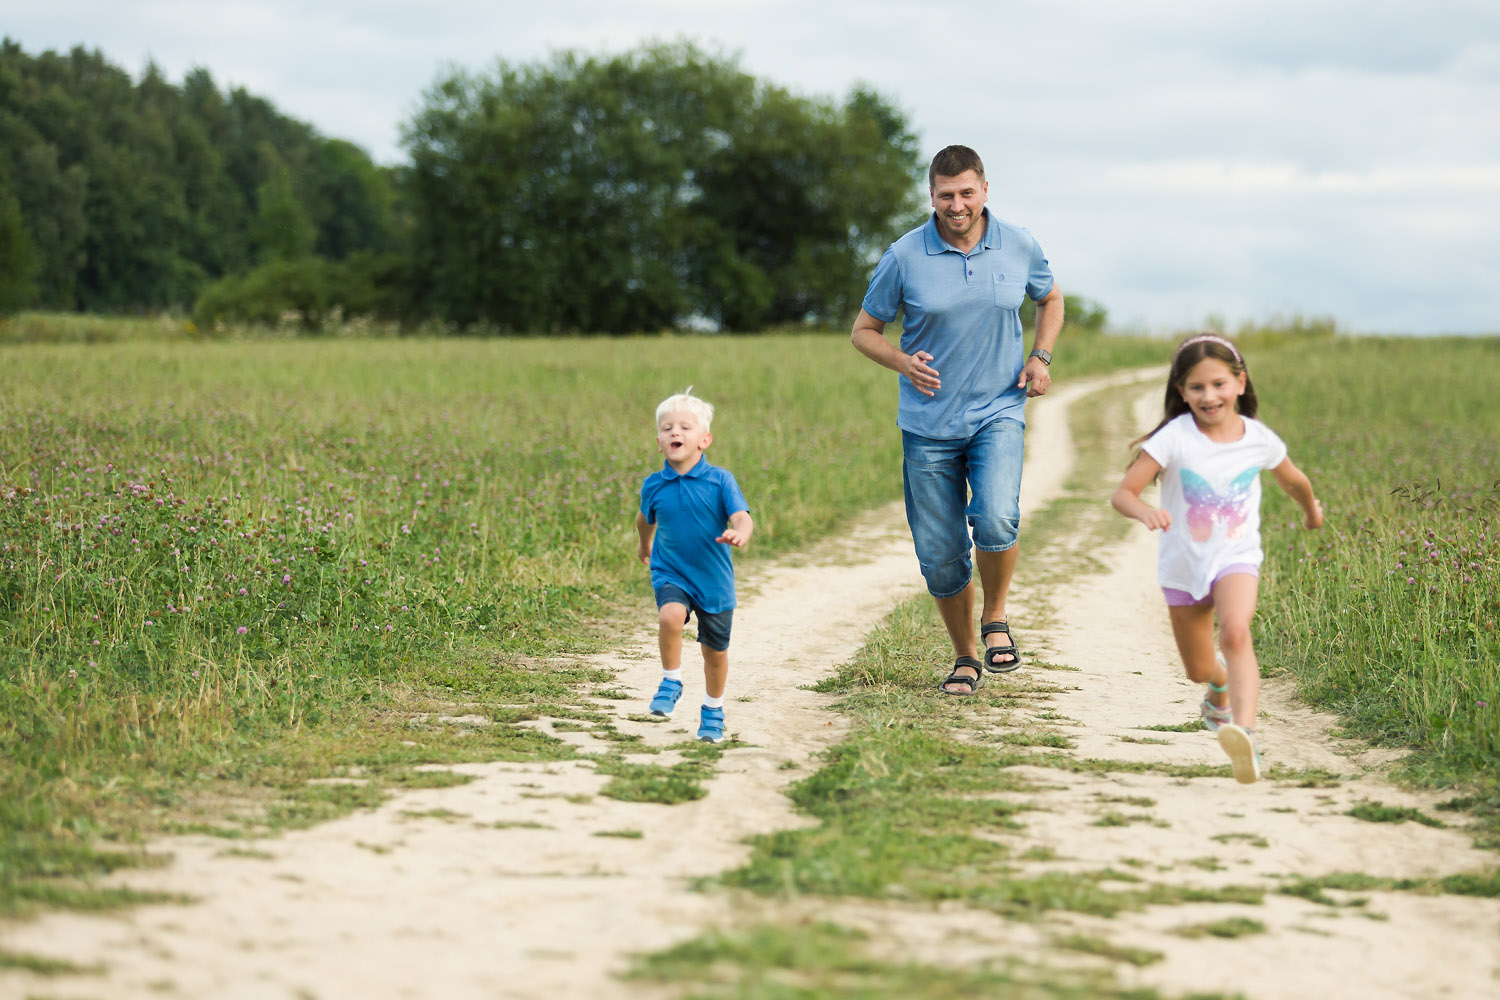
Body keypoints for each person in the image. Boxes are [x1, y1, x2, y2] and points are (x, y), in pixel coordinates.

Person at [851, 144, 1064, 696]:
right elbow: (863, 331)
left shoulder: (1018, 244)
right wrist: (901, 361)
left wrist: (1040, 357)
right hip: (927, 424)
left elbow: (1050, 298)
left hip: (998, 408)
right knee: (941, 556)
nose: (957, 204)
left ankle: (996, 618)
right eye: (946, 195)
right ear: (932, 196)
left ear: (985, 190)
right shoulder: (904, 256)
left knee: (995, 518)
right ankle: (965, 656)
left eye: (967, 192)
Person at [1110, 333, 1323, 783]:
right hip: (1183, 565)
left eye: (1219, 384)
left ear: (1240, 384)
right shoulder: (1174, 437)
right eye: (1197, 388)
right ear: (1182, 392)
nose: (1209, 396)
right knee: (1197, 669)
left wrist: (1311, 512)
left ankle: (1244, 734)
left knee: (1237, 632)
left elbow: (1295, 481)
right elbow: (1124, 493)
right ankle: (1218, 687)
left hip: (1236, 557)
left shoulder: (1258, 438)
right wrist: (1145, 510)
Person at [636, 389, 753, 743]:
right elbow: (645, 519)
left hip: (714, 580)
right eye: (667, 427)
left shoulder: (720, 481)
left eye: (685, 427)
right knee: (669, 617)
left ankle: (713, 709)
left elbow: (742, 517)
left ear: (704, 440)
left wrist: (740, 533)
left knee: (714, 653)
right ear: (658, 441)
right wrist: (644, 544)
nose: (675, 432)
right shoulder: (654, 485)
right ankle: (671, 680)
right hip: (671, 570)